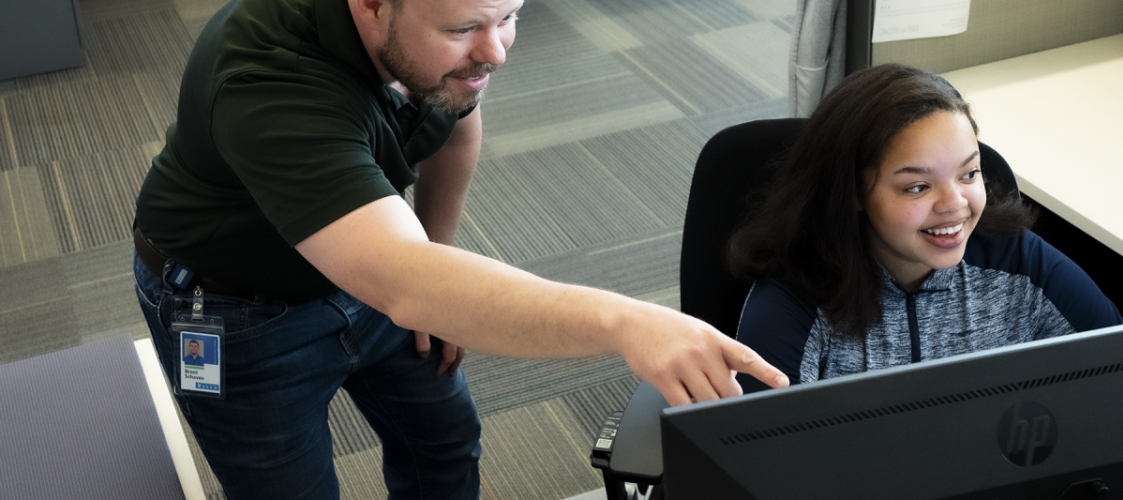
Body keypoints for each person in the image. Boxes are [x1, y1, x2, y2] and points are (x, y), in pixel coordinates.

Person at [131, 0, 787, 497]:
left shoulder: (436, 45)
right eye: (465, 28)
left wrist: (434, 255)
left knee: (443, 442)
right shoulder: (268, 79)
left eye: (509, 16)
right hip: (230, 310)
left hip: (381, 265)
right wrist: (626, 321)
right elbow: (405, 283)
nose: (496, 51)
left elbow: (453, 125)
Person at [727, 64, 1123, 393]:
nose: (954, 204)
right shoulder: (794, 300)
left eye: (969, 173)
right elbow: (762, 468)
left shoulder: (1017, 260)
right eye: (917, 186)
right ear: (851, 191)